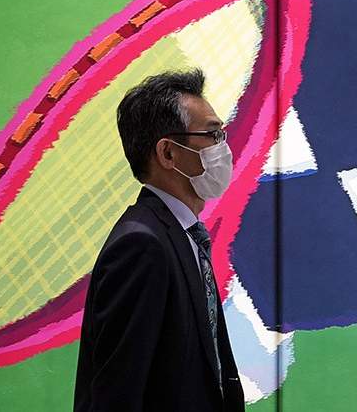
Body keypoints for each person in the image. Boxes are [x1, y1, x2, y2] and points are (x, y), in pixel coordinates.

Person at [74, 69, 244, 411]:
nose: (222, 147)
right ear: (168, 153)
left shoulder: (182, 235)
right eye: (212, 135)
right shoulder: (141, 246)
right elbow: (117, 392)